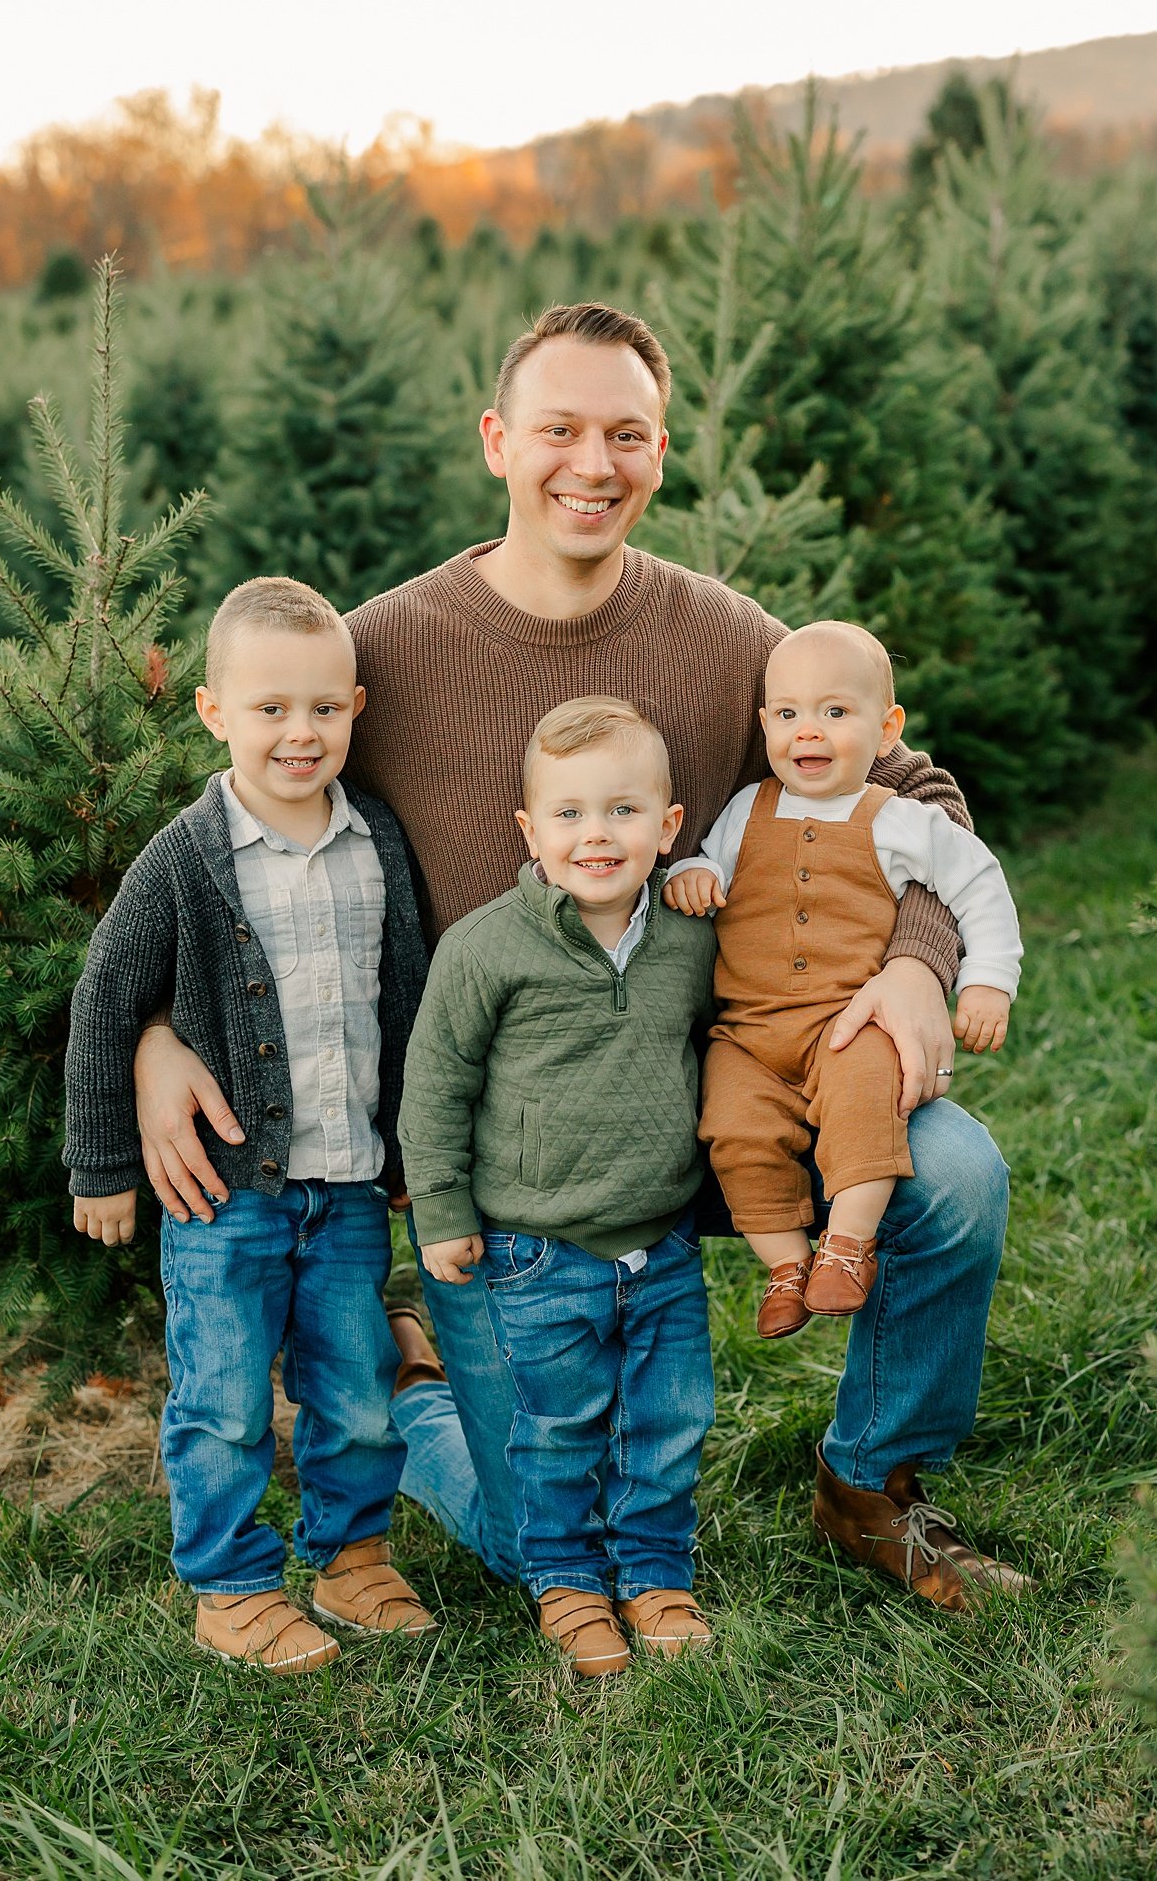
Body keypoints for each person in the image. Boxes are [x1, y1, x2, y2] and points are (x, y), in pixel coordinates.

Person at [133, 302, 1030, 1611]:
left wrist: (915, 958)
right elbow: (226, 839)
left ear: (662, 452)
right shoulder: (385, 652)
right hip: (522, 1169)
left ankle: (872, 1480)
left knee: (953, 1168)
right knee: (529, 1538)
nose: (592, 465)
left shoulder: (726, 639)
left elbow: (919, 788)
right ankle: (415, 1388)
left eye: (627, 434)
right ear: (499, 440)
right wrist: (158, 1031)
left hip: (733, 1105)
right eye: (560, 429)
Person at [64, 577, 453, 1671]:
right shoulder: (187, 857)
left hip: (346, 1187)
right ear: (213, 711)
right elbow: (106, 998)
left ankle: (352, 1557)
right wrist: (102, 1165)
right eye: (271, 708)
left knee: (357, 1388)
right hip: (224, 1195)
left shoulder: (375, 838)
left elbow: (405, 1000)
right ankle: (231, 1584)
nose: (300, 732)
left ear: (356, 710)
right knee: (226, 1396)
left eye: (324, 709)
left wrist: (414, 1149)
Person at [400, 698, 718, 1677]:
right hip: (534, 1250)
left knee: (665, 1420)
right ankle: (567, 1583)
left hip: (663, 1243)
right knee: (557, 1431)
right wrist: (444, 1214)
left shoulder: (690, 939)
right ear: (532, 833)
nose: (597, 835)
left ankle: (656, 1572)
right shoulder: (486, 949)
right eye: (571, 815)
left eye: (623, 812)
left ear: (667, 829)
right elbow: (434, 1085)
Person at [663, 619, 1022, 1339]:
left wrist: (985, 981)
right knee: (733, 1128)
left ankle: (848, 1246)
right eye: (789, 715)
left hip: (848, 1022)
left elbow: (979, 882)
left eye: (836, 713)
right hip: (748, 1035)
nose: (810, 734)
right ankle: (786, 1265)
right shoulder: (746, 808)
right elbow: (704, 860)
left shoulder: (899, 820)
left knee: (865, 1108)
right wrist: (693, 874)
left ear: (887, 729)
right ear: (765, 724)